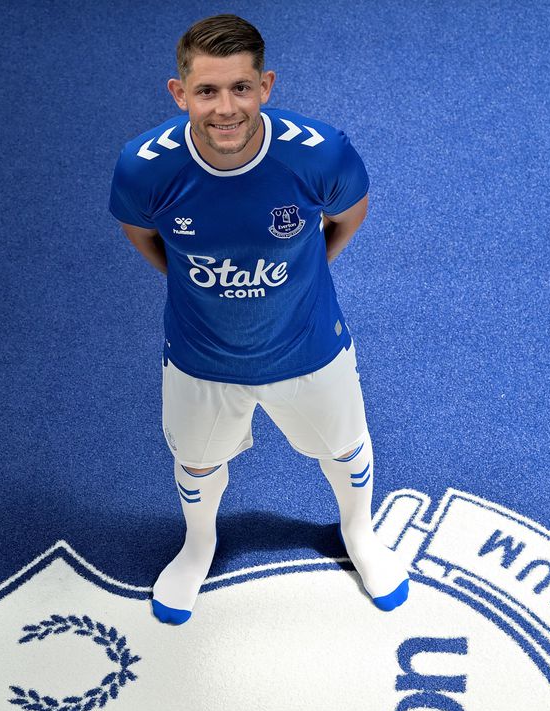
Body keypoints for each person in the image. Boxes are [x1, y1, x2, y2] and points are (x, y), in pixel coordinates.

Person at [109, 13, 409, 624]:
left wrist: (309, 272)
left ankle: (360, 534)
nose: (226, 108)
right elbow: (141, 232)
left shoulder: (319, 152)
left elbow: (350, 212)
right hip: (200, 357)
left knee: (345, 449)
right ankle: (199, 547)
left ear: (266, 86)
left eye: (241, 88)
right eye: (207, 91)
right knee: (195, 460)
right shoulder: (145, 167)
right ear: (180, 93)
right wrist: (192, 281)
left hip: (309, 349)